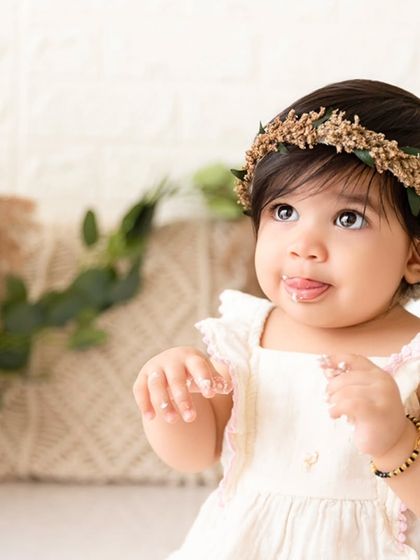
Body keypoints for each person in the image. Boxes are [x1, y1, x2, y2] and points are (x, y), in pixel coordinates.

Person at [133, 79, 420, 559]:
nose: (303, 245)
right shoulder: (248, 337)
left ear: (414, 256)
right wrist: (170, 399)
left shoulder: (413, 353)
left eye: (348, 219)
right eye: (284, 211)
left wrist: (396, 442)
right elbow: (194, 454)